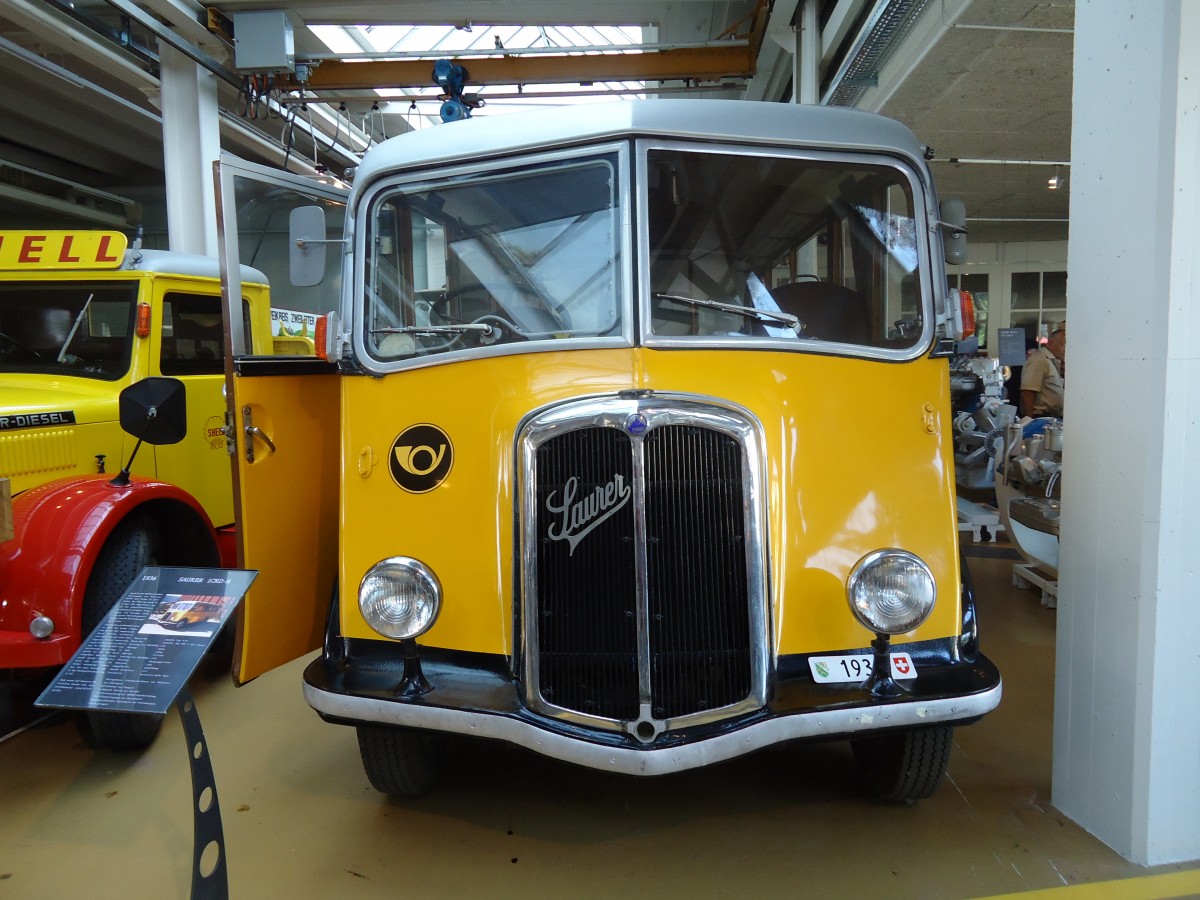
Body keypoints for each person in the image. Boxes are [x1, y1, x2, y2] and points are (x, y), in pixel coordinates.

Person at [1020, 327, 1065, 417]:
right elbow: (1027, 392)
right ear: (1051, 342)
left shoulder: (1052, 361)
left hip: (1052, 417)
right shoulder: (1039, 359)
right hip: (1040, 417)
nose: (1065, 349)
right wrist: (1029, 421)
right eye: (1063, 344)